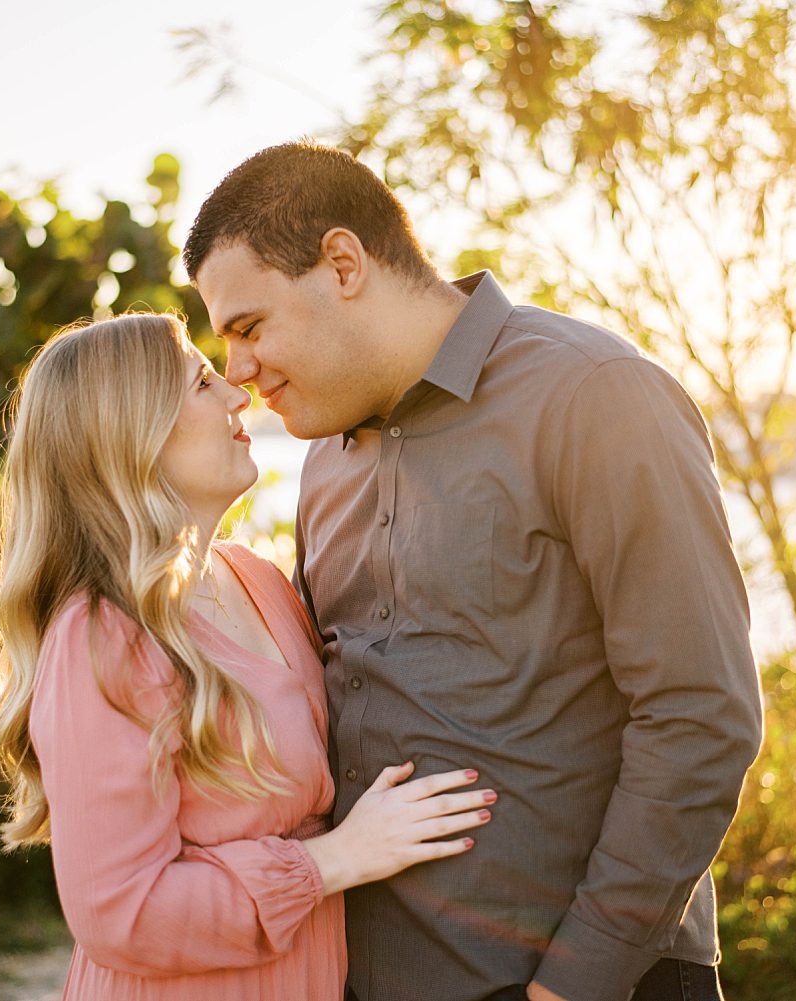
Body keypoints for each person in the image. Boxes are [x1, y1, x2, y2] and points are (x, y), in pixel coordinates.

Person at [183, 142, 766, 1001]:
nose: (235, 370)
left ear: (343, 263)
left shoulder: (593, 394)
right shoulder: (325, 466)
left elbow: (700, 713)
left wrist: (576, 981)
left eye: (248, 326)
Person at [0, 312, 496, 1001]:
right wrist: (337, 858)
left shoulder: (259, 579)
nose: (238, 394)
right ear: (133, 431)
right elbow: (121, 911)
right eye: (202, 381)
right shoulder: (99, 636)